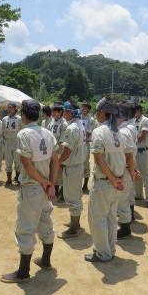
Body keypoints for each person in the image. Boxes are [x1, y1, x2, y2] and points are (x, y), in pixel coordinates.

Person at [1, 99, 59, 283]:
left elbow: (27, 164)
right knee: (45, 222)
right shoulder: (48, 133)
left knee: (25, 228)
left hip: (32, 187)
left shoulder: (24, 134)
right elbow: (55, 160)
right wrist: (51, 184)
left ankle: (23, 272)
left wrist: (45, 183)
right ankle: (46, 261)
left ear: (24, 115)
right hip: (45, 188)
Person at [85, 97, 125, 262]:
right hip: (116, 182)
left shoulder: (99, 131)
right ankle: (110, 250)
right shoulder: (117, 132)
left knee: (98, 219)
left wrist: (113, 179)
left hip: (104, 182)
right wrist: (118, 179)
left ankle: (102, 252)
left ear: (102, 112)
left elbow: (99, 160)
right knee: (110, 218)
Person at [57, 101, 86, 239]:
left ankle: (75, 228)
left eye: (66, 111)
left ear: (71, 112)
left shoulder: (72, 128)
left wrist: (58, 162)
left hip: (72, 166)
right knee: (76, 194)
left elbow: (67, 151)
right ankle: (75, 223)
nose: (64, 113)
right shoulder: (79, 125)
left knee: (72, 196)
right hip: (77, 165)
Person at [117, 102, 139, 239]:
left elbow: (129, 155)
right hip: (125, 168)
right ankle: (124, 226)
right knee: (122, 200)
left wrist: (132, 171)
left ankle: (125, 228)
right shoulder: (126, 128)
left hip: (125, 169)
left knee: (122, 201)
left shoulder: (125, 131)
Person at [134, 104, 148, 207]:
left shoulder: (145, 120)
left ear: (140, 111)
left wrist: (131, 141)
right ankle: (138, 194)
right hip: (136, 151)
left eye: (135, 111)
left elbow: (142, 135)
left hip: (143, 151)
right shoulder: (134, 121)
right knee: (137, 173)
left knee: (146, 175)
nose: (133, 113)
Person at [48, 102, 67, 202]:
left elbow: (62, 141)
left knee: (60, 172)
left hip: (59, 150)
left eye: (55, 111)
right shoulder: (51, 121)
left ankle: (63, 192)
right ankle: (54, 190)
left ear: (60, 112)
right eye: (52, 111)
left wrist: (56, 150)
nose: (53, 113)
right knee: (52, 170)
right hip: (51, 150)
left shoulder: (64, 123)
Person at [3, 102, 22, 186]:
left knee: (17, 160)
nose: (9, 109)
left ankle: (18, 177)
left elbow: (22, 129)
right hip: (7, 141)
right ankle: (9, 179)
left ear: (15, 108)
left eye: (11, 107)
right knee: (8, 160)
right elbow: (3, 129)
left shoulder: (19, 119)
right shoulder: (4, 119)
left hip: (16, 141)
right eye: (8, 107)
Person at [80, 101, 96, 193]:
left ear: (88, 109)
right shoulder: (78, 117)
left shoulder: (91, 119)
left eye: (84, 107)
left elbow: (88, 133)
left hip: (85, 144)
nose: (82, 109)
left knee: (85, 164)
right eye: (82, 107)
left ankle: (85, 185)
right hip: (78, 144)